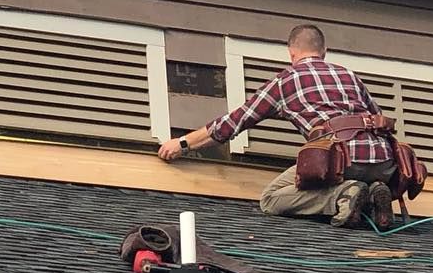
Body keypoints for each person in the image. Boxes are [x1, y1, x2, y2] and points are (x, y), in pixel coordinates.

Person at [157, 24, 396, 228]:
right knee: (354, 174)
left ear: (291, 53)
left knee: (271, 199)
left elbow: (233, 122)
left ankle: (344, 194)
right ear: (324, 51)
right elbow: (380, 119)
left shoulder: (285, 81)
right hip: (384, 163)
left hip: (342, 160)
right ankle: (373, 193)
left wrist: (182, 143)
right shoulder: (349, 76)